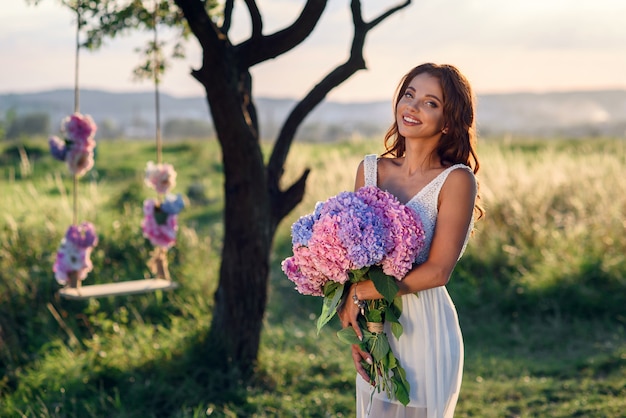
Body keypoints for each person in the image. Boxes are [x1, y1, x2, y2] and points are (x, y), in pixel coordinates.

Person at [338, 63, 483, 418]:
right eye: (409, 95)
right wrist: (359, 331)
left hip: (425, 326)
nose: (413, 107)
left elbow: (437, 271)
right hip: (377, 324)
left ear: (448, 121)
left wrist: (362, 293)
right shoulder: (370, 169)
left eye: (430, 103)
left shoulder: (456, 180)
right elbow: (357, 260)